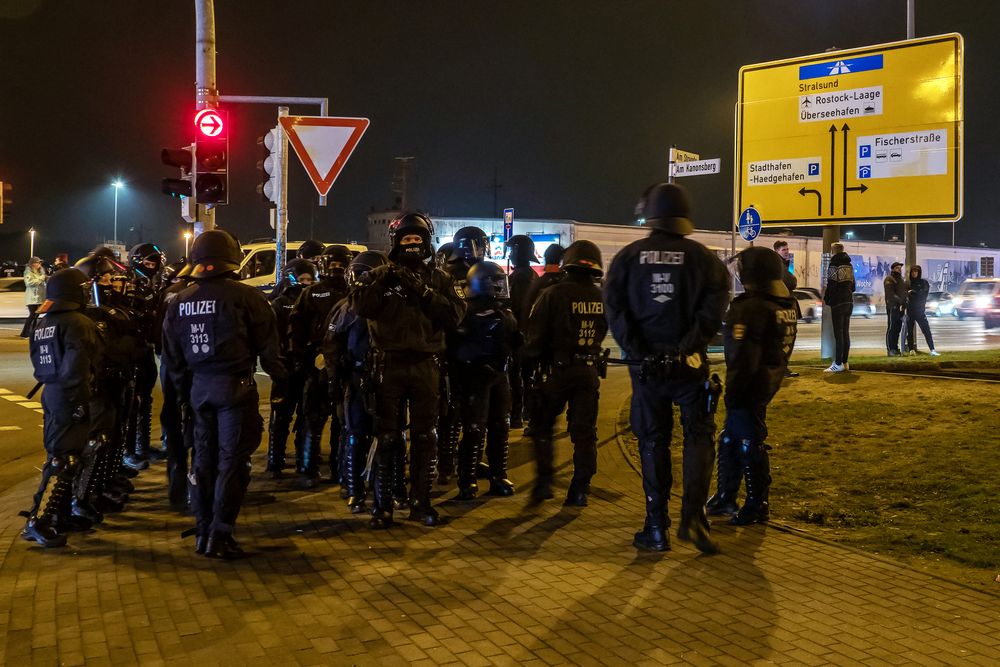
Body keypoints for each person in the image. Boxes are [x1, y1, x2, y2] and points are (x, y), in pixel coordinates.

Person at [604, 182, 729, 554]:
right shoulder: (703, 258)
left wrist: (639, 350)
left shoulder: (628, 257)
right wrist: (686, 347)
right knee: (698, 436)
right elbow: (713, 310)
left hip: (645, 369)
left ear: (652, 214)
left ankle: (655, 526)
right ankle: (693, 519)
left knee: (653, 440)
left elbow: (616, 309)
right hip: (689, 366)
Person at [162, 229, 287, 559]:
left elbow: (172, 360)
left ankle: (202, 530)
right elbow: (270, 352)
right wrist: (284, 383)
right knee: (233, 463)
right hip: (235, 389)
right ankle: (221, 533)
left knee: (203, 461)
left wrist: (180, 398)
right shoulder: (248, 298)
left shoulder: (180, 301)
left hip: (198, 390)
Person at [351, 212, 466, 528]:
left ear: (426, 242)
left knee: (425, 437)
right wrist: (382, 281)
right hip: (389, 365)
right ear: (396, 243)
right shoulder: (379, 276)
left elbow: (455, 316)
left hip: (426, 365)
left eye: (417, 239)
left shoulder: (439, 279)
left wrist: (425, 293)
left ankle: (421, 502)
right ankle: (383, 506)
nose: (412, 244)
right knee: (387, 438)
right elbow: (360, 307)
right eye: (406, 239)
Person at [708, 247, 797, 525]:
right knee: (732, 437)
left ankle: (757, 502)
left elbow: (742, 356)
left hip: (747, 385)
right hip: (767, 381)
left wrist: (732, 391)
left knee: (748, 442)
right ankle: (726, 495)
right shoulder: (786, 303)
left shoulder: (750, 307)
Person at [524, 240, 608, 507]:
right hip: (588, 371)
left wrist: (527, 366)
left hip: (557, 373)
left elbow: (535, 338)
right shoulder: (603, 297)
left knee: (543, 428)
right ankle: (580, 489)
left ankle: (544, 484)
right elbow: (604, 330)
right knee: (585, 434)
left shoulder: (553, 294)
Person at [22, 268, 100, 547]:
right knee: (64, 459)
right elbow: (80, 364)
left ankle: (60, 516)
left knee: (61, 454)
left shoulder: (42, 322)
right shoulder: (79, 323)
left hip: (51, 391)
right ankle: (39, 520)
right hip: (70, 394)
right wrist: (80, 396)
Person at [324, 251, 389, 513]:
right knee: (355, 434)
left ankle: (383, 488)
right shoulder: (347, 307)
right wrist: (335, 377)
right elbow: (332, 344)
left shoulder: (391, 304)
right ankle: (354, 489)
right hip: (357, 376)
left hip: (385, 378)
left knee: (387, 436)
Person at [450, 261, 520, 499]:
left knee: (500, 426)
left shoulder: (504, 314)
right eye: (495, 282)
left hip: (498, 376)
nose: (500, 287)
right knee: (474, 429)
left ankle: (498, 475)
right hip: (474, 377)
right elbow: (454, 350)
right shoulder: (464, 314)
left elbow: (514, 343)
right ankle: (467, 479)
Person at [288, 245, 351, 487]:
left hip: (345, 363)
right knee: (312, 418)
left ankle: (339, 470)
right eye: (332, 264)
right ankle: (307, 468)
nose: (336, 269)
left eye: (341, 264)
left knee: (342, 421)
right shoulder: (312, 293)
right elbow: (297, 325)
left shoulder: (354, 292)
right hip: (317, 363)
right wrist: (299, 357)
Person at [265, 258, 317, 479]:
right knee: (281, 417)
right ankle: (275, 462)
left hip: (309, 368)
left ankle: (304, 464)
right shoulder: (280, 303)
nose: (305, 283)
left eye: (309, 279)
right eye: (302, 279)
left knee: (307, 417)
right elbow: (272, 337)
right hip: (286, 368)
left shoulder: (316, 301)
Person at [505, 234, 539, 429]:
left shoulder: (519, 277)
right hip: (530, 335)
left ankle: (517, 414)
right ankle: (527, 412)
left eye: (511, 250)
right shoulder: (532, 275)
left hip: (519, 335)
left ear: (518, 251)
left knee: (517, 376)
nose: (509, 254)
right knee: (528, 376)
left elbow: (516, 307)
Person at [823, 243, 855, 372]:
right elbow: (853, 286)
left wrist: (827, 299)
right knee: (845, 333)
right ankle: (845, 362)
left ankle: (837, 363)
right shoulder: (850, 266)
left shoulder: (834, 264)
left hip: (838, 302)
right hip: (848, 301)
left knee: (838, 334)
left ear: (833, 251)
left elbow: (831, 284)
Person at [772, 240, 799, 378]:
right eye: (784, 249)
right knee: (786, 337)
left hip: (781, 305)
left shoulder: (780, 264)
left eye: (788, 249)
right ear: (777, 251)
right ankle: (782, 368)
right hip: (782, 306)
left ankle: (780, 367)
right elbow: (791, 282)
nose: (787, 251)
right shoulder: (778, 265)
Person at [904, 265, 940, 356]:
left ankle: (932, 349)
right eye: (913, 272)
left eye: (916, 271)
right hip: (910, 310)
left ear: (919, 272)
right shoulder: (908, 283)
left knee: (926, 331)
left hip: (920, 311)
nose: (914, 273)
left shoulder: (924, 283)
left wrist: (912, 293)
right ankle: (911, 349)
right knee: (910, 331)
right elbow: (905, 296)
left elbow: (922, 295)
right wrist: (912, 294)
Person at [883, 261, 907, 357]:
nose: (899, 269)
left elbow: (903, 292)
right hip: (893, 307)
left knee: (897, 329)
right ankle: (890, 349)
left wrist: (905, 302)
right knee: (891, 329)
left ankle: (895, 348)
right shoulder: (889, 279)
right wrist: (901, 301)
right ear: (892, 269)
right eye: (897, 268)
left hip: (900, 308)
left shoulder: (900, 279)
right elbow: (890, 294)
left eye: (900, 267)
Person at [20, 256, 46, 338]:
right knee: (33, 315)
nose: (40, 264)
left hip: (38, 298)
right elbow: (29, 283)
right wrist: (41, 279)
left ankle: (31, 332)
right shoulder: (28, 272)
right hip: (32, 298)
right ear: (33, 264)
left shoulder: (39, 272)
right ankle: (25, 333)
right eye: (38, 262)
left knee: (35, 315)